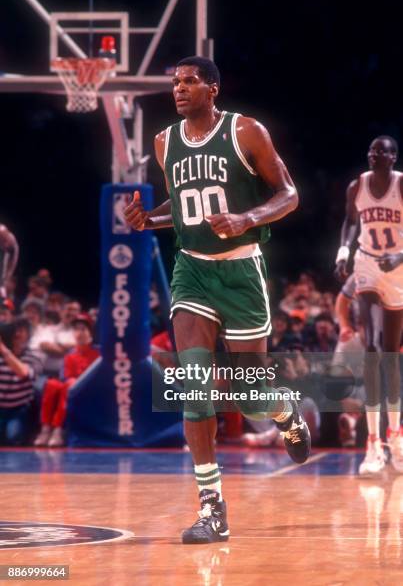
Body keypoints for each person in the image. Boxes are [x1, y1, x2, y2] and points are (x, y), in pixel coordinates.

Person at [124, 56, 311, 544]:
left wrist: (247, 218)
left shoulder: (246, 131)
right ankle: (212, 508)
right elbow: (186, 208)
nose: (179, 89)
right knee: (195, 384)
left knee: (250, 397)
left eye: (189, 82)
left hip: (242, 270)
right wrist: (150, 219)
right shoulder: (165, 142)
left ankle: (284, 412)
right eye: (175, 83)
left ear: (213, 89)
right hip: (191, 273)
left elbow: (288, 194)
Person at [335, 135, 403, 474]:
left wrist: (401, 254)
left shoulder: (402, 186)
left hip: (398, 268)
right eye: (371, 150)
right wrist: (343, 251)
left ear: (394, 157)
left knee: (390, 353)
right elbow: (350, 222)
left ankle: (396, 434)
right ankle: (373, 444)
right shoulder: (356, 186)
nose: (375, 155)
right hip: (367, 264)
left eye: (382, 151)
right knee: (373, 347)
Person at [34, 314, 100, 447]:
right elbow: (67, 376)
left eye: (83, 329)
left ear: (90, 332)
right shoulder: (70, 354)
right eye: (76, 329)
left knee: (69, 385)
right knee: (51, 384)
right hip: (71, 387)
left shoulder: (98, 353)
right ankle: (46, 429)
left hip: (90, 389)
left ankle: (58, 430)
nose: (79, 333)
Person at [0, 318, 43, 444]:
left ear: (28, 335)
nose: (17, 334)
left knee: (13, 437)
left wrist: (4, 351)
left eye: (21, 331)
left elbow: (23, 373)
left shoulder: (35, 355)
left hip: (18, 409)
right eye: (14, 330)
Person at [0, 224, 19, 300]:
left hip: (9, 257)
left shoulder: (11, 241)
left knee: (4, 293)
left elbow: (13, 261)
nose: (5, 245)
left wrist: (7, 278)